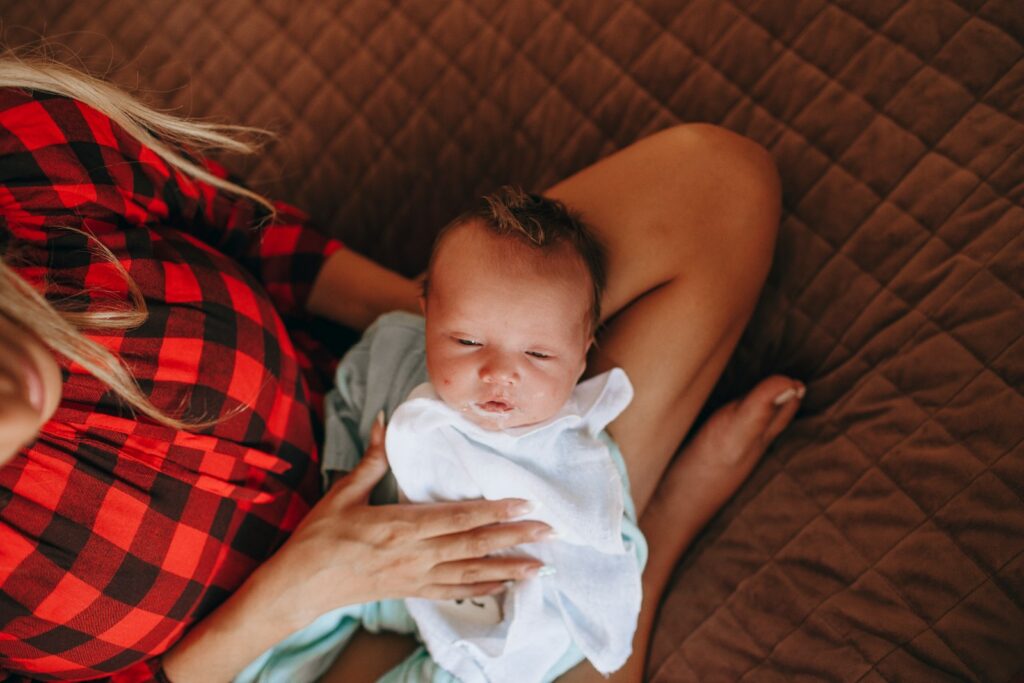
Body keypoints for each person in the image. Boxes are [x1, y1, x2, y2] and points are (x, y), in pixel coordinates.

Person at [0, 56, 804, 683]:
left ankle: (600, 546)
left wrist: (456, 335)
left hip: (362, 410)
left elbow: (239, 222)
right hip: (271, 655)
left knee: (717, 184)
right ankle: (650, 548)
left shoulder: (18, 148)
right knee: (524, 652)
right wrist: (305, 586)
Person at [239, 187, 647, 682]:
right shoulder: (392, 351)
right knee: (272, 653)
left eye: (538, 355)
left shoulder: (570, 452)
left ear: (583, 353)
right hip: (362, 559)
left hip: (483, 597)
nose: (500, 373)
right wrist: (344, 475)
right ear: (427, 313)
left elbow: (611, 547)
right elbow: (349, 392)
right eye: (468, 341)